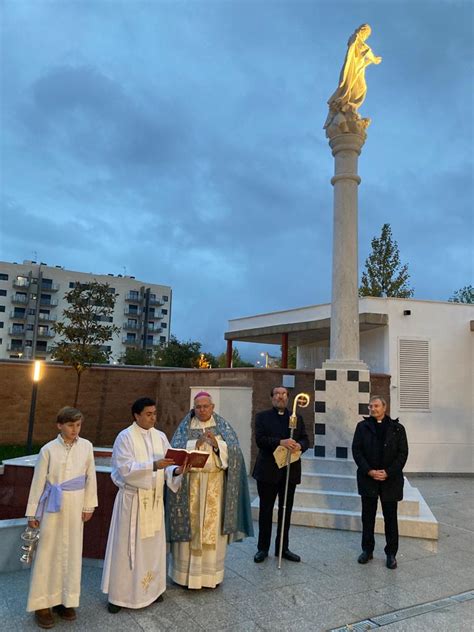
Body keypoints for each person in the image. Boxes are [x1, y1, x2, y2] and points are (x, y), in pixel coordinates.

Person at [101, 397, 188, 612]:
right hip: (133, 503)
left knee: (152, 547)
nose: (153, 418)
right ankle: (119, 597)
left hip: (154, 501)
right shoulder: (125, 437)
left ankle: (152, 590)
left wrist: (176, 471)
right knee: (126, 548)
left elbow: (167, 466)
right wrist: (153, 465)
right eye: (148, 414)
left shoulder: (160, 437)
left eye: (155, 413)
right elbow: (124, 469)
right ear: (136, 415)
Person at [167, 391, 253, 589]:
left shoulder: (222, 426)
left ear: (212, 407)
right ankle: (183, 575)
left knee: (211, 530)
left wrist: (217, 445)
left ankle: (211, 576)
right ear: (193, 408)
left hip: (215, 484)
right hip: (190, 484)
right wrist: (194, 444)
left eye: (206, 406)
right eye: (198, 407)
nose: (202, 410)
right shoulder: (185, 426)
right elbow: (175, 450)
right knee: (190, 528)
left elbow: (235, 453)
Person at [25, 406, 98, 629]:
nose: (74, 429)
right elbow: (38, 481)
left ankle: (66, 600)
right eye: (70, 425)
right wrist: (32, 512)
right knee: (48, 553)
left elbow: (90, 476)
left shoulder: (86, 447)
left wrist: (89, 505)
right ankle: (42, 604)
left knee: (71, 553)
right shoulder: (48, 450)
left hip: (76, 507)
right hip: (52, 509)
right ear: (59, 425)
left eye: (78, 425)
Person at [253, 386, 310, 563]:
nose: (280, 397)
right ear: (272, 398)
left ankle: (282, 548)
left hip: (289, 472)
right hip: (268, 471)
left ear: (288, 398)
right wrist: (281, 442)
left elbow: (306, 439)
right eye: (277, 394)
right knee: (266, 511)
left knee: (285, 511)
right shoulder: (262, 417)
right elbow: (260, 440)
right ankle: (262, 548)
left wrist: (300, 445)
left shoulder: (296, 418)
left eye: (284, 394)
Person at [352, 395, 409, 569]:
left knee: (390, 518)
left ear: (384, 407)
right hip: (368, 479)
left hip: (390, 481)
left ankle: (391, 554)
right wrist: (369, 471)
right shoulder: (362, 427)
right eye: (370, 406)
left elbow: (402, 453)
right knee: (367, 517)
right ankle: (367, 550)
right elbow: (357, 450)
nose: (373, 409)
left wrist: (388, 472)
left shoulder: (397, 428)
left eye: (376, 406)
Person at [324, 23, 382, 128]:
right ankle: (349, 105)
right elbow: (364, 50)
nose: (366, 36)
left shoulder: (358, 41)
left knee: (361, 88)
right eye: (366, 34)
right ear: (363, 31)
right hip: (353, 70)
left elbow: (364, 52)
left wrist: (372, 59)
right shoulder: (356, 38)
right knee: (361, 88)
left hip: (358, 69)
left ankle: (350, 106)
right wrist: (374, 59)